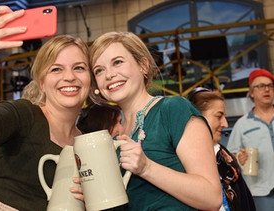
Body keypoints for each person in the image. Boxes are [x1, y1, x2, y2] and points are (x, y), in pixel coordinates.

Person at [0, 6, 91, 210]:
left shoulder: (88, 144)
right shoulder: (23, 114)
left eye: (79, 68)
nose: (69, 76)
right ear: (41, 82)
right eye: (56, 69)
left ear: (90, 79)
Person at [87, 31, 222, 210]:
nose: (109, 75)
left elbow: (211, 197)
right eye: (99, 70)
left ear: (143, 65)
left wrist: (146, 168)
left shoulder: (173, 110)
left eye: (117, 62)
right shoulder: (114, 138)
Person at [187, 87, 256, 211]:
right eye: (219, 116)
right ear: (196, 117)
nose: (225, 124)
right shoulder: (177, 161)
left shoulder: (227, 160)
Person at [227, 69, 274, 211]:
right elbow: (231, 156)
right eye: (260, 86)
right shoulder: (242, 124)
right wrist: (239, 158)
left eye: (270, 85)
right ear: (251, 92)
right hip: (260, 191)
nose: (266, 89)